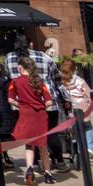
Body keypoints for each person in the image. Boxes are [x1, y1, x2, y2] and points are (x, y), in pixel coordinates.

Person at [7, 37, 66, 170]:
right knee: (51, 134)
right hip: (45, 102)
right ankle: (58, 161)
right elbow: (57, 78)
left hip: (22, 104)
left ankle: (33, 164)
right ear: (31, 43)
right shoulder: (43, 56)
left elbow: (7, 75)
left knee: (29, 138)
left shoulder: (9, 57)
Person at [8, 56, 54, 185]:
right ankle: (48, 174)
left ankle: (29, 169)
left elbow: (10, 99)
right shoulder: (39, 82)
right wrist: (40, 107)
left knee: (29, 144)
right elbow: (49, 102)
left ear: (20, 67)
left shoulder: (15, 82)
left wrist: (21, 106)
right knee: (43, 146)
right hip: (40, 116)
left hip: (25, 114)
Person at [60, 59, 93, 159]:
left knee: (75, 129)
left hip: (70, 107)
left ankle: (79, 148)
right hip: (82, 106)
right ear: (74, 69)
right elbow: (89, 93)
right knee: (87, 126)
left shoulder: (62, 81)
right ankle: (89, 146)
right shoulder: (80, 80)